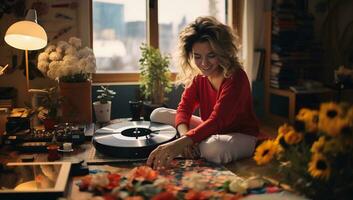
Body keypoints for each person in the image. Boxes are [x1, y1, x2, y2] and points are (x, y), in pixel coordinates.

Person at [146, 16, 260, 169]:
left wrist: (183, 142)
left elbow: (218, 120)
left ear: (222, 52)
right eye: (197, 57)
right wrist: (184, 137)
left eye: (211, 55)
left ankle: (192, 145)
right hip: (210, 130)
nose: (204, 64)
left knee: (212, 148)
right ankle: (191, 145)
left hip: (241, 136)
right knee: (157, 114)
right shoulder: (199, 77)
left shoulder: (236, 76)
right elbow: (184, 109)